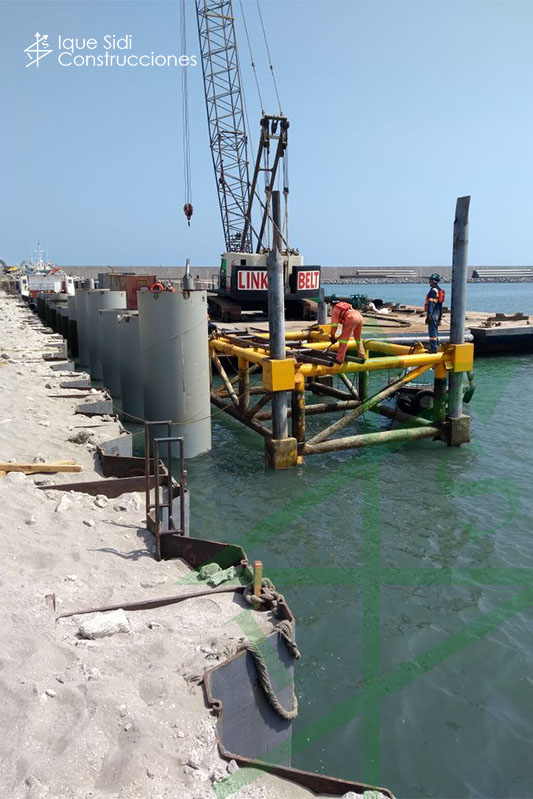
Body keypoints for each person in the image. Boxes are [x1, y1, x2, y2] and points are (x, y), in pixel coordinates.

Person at [330, 299, 366, 364]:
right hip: (359, 316)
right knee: (358, 338)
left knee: (343, 340)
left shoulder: (335, 310)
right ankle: (363, 356)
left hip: (351, 318)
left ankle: (339, 359)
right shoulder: (344, 305)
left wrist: (332, 336)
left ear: (332, 305)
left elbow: (334, 325)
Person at [425, 273, 445, 353]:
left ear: (433, 281)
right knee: (435, 331)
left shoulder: (433, 291)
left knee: (432, 332)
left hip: (433, 314)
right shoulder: (439, 290)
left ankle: (433, 349)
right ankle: (437, 346)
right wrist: (440, 317)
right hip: (437, 314)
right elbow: (440, 305)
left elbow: (431, 304)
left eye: (430, 281)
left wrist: (429, 315)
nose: (429, 283)